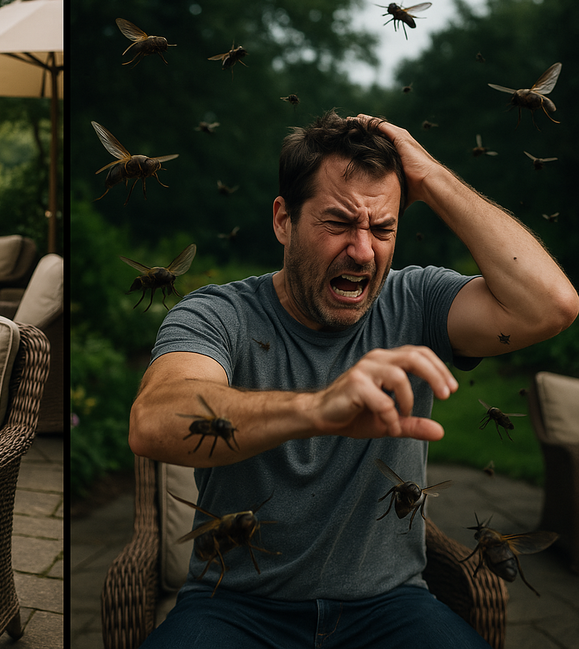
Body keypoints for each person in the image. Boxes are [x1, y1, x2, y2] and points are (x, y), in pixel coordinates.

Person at [129, 110, 579, 647]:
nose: (363, 250)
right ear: (283, 220)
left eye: (383, 228)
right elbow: (154, 420)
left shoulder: (418, 302)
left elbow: (551, 306)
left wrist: (432, 178)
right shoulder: (218, 314)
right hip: (232, 606)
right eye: (339, 223)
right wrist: (317, 409)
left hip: (392, 606)